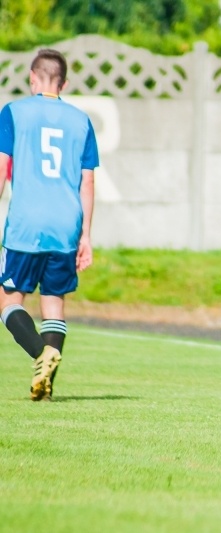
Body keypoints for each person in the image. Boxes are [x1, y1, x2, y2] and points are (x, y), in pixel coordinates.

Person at [0, 49, 99, 401]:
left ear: (32, 77)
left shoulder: (13, 112)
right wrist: (86, 234)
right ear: (64, 83)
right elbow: (87, 182)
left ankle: (42, 354)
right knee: (53, 302)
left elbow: (1, 169)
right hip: (66, 225)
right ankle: (45, 386)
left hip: (26, 224)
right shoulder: (81, 121)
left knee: (9, 301)